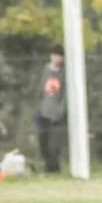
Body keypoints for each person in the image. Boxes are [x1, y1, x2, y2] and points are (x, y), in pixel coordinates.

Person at [35, 44, 65, 173]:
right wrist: (38, 108)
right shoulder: (45, 70)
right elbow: (40, 90)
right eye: (54, 55)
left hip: (57, 114)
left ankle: (54, 168)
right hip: (43, 112)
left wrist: (61, 109)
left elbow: (65, 94)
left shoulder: (64, 73)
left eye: (59, 56)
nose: (56, 58)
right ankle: (47, 165)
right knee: (43, 142)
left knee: (54, 144)